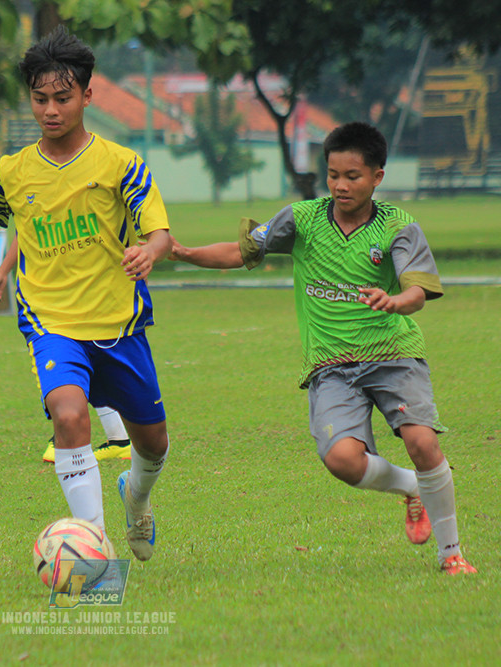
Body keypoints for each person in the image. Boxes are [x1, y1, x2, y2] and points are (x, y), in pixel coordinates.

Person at [170, 122, 476, 575]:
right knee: (342, 460)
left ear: (377, 176)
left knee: (422, 441)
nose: (340, 185)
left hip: (393, 352)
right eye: (333, 174)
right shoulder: (303, 219)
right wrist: (180, 252)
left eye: (353, 176)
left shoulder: (398, 226)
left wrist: (394, 301)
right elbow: (242, 252)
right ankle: (415, 489)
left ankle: (451, 555)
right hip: (331, 366)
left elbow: (418, 290)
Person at [0, 26, 171, 562]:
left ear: (86, 94)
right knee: (69, 415)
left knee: (153, 447)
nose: (50, 110)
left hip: (120, 327)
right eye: (40, 98)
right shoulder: (11, 173)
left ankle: (137, 496)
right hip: (51, 324)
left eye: (62, 97)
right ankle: (94, 549)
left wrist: (150, 251)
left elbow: (160, 232)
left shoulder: (121, 163)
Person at [0, 235, 132, 462]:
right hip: (62, 290)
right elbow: (23, 231)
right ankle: (119, 439)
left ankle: (71, 436)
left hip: (72, 292)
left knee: (70, 359)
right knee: (82, 356)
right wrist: (3, 271)